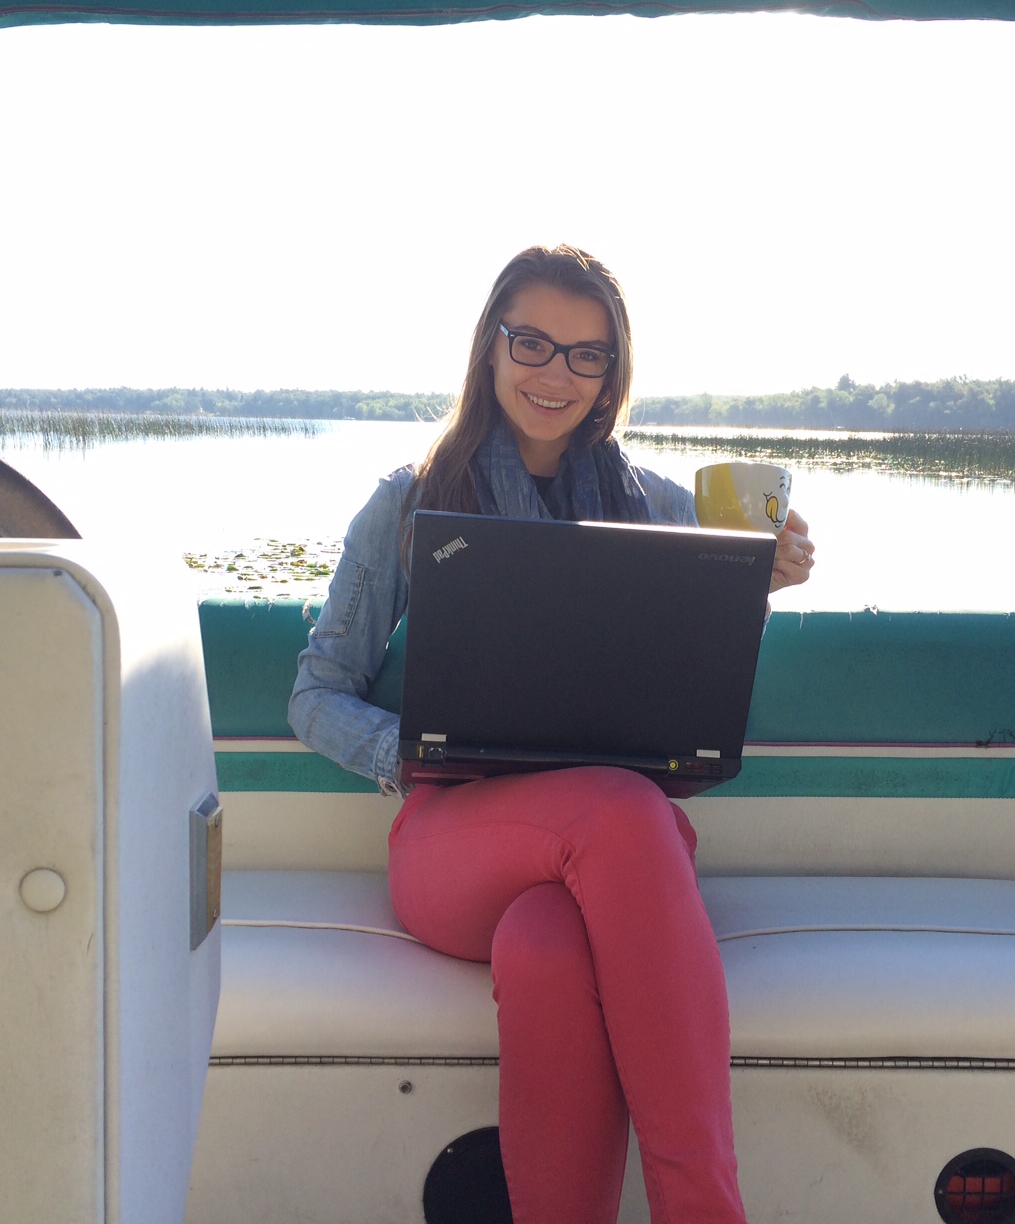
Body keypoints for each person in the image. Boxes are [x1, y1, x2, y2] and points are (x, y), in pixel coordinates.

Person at [289, 245, 815, 1224]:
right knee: (620, 808)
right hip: (454, 838)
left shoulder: (665, 510)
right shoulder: (410, 500)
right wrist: (418, 754)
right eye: (532, 342)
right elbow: (315, 695)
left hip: (608, 862)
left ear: (612, 375)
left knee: (548, 947)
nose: (555, 373)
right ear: (490, 347)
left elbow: (692, 680)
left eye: (586, 354)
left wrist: (757, 583)